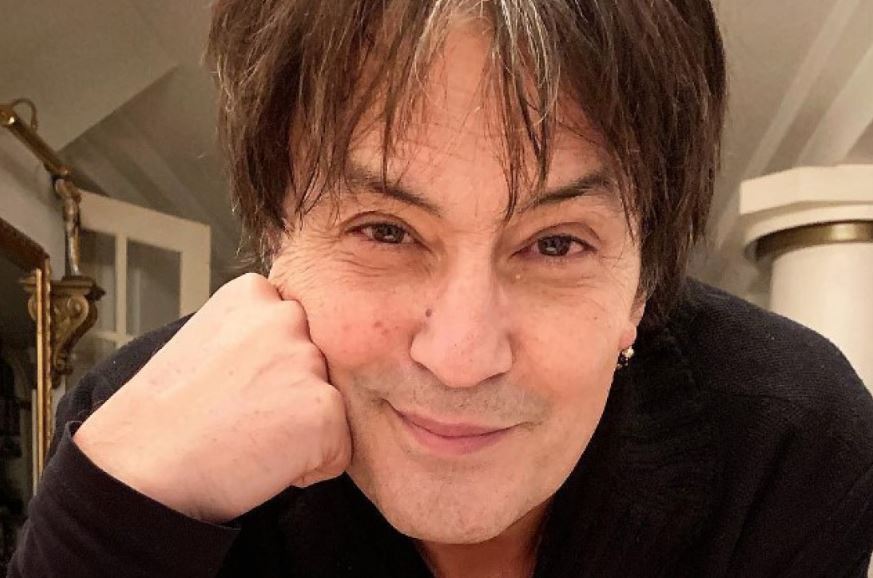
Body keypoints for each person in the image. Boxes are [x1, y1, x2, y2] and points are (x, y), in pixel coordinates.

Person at [8, 0, 873, 576]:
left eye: (556, 243)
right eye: (384, 231)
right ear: (276, 241)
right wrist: (105, 527)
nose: (461, 358)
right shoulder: (134, 448)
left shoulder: (786, 444)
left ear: (642, 287)